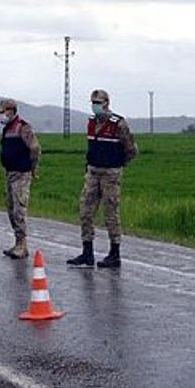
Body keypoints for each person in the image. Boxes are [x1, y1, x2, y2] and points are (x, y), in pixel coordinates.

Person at [67, 89, 138, 268]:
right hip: (92, 172)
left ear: (106, 103)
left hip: (110, 173)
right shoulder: (91, 122)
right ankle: (87, 252)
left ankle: (114, 254)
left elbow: (131, 150)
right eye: (92, 102)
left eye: (98, 102)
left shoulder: (118, 124)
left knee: (111, 214)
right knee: (85, 212)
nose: (95, 106)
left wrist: (117, 165)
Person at [0, 98, 41, 259]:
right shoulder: (7, 129)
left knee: (19, 208)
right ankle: (17, 242)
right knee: (10, 208)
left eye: (4, 111)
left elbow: (35, 148)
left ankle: (22, 245)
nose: (2, 115)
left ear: (12, 111)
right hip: (9, 173)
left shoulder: (22, 127)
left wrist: (33, 168)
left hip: (21, 174)